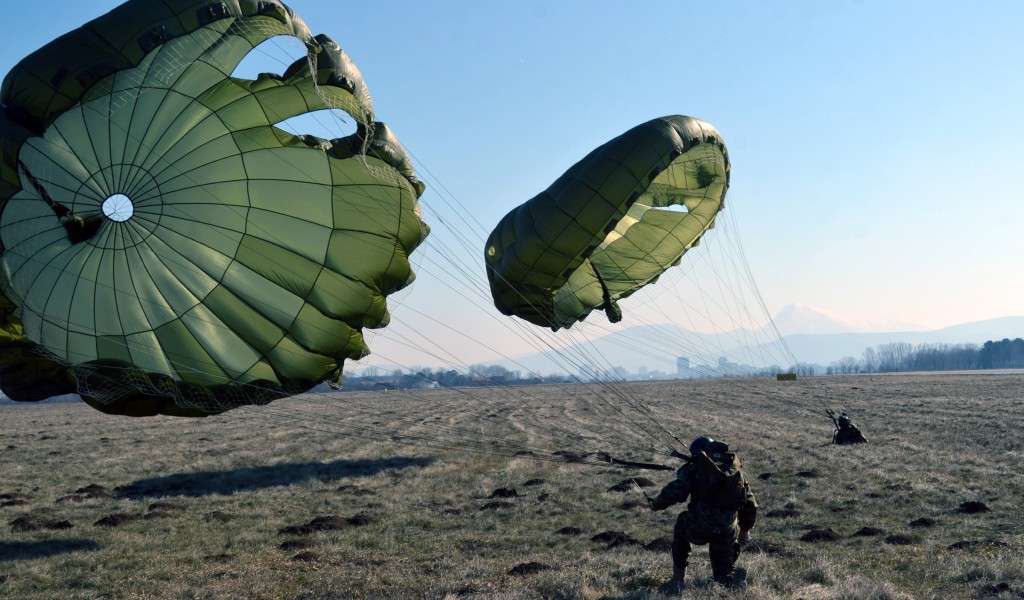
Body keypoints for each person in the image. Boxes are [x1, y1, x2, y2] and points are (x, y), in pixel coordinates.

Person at [649, 436, 758, 593]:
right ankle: (731, 582)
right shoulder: (734, 469)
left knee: (681, 524)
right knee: (722, 575)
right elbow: (749, 502)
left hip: (699, 526)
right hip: (727, 530)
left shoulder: (696, 468)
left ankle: (677, 581)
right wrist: (746, 529)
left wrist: (656, 504)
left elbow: (675, 492)